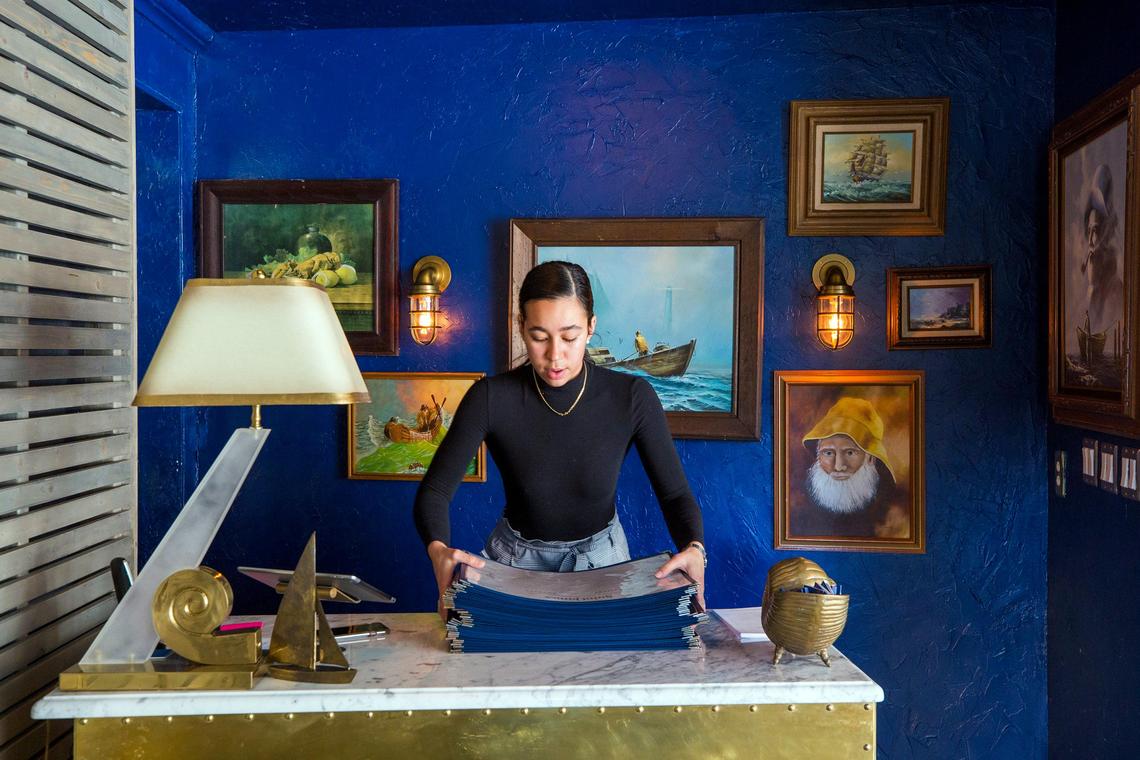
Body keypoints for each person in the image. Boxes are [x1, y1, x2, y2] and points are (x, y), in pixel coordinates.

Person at [413, 261, 706, 618]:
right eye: (539, 337)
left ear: (591, 327)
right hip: (514, 563)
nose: (555, 355)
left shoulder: (632, 397)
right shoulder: (490, 397)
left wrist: (695, 548)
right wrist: (438, 552)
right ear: (521, 326)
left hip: (604, 562)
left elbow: (674, 494)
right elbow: (435, 492)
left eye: (570, 337)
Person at [794, 397, 908, 539]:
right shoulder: (800, 505)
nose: (838, 466)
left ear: (870, 457)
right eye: (828, 453)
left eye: (850, 453)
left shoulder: (895, 507)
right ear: (818, 455)